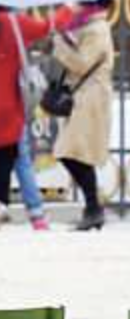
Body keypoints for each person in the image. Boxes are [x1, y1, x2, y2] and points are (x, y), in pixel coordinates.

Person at [0, 6, 68, 230]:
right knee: (20, 156)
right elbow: (47, 27)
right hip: (10, 103)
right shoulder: (16, 22)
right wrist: (67, 8)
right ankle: (36, 213)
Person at [52, 0, 114, 232]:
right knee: (74, 152)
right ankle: (93, 209)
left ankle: (94, 208)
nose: (73, 7)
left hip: (90, 99)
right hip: (83, 97)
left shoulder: (97, 28)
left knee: (70, 151)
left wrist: (59, 44)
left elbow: (81, 63)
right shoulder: (86, 26)